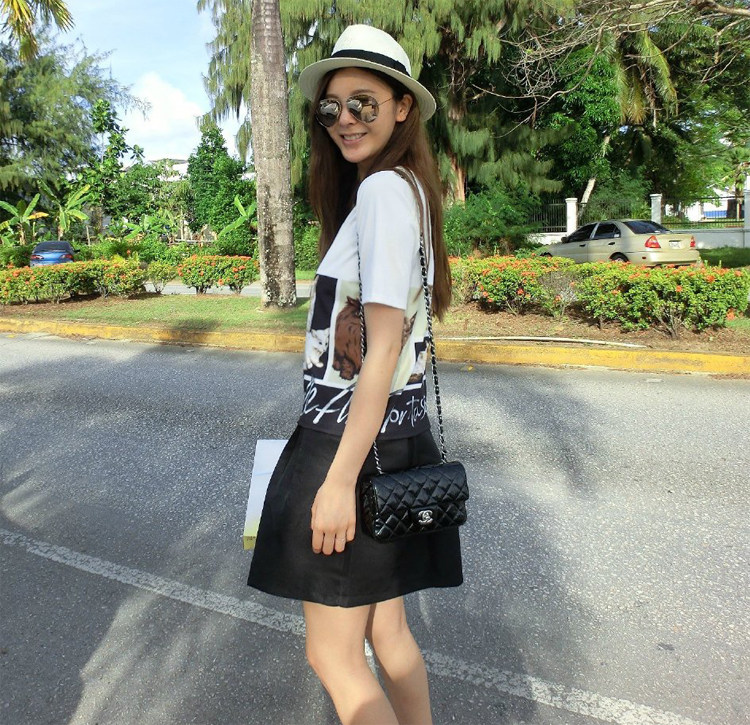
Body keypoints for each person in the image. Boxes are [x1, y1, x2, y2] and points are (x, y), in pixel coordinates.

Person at [247, 24, 463, 725]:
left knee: (333, 656)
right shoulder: (403, 191)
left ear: (402, 108)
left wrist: (338, 482)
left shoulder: (382, 195)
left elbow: (383, 345)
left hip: (350, 446)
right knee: (386, 632)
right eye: (332, 107)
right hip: (392, 441)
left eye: (364, 103)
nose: (345, 119)